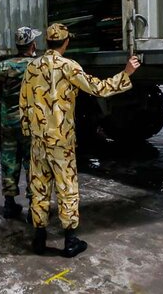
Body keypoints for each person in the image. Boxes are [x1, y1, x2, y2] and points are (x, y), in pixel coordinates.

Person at [20, 23, 140, 257]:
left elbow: (23, 104)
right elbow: (98, 88)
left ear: (47, 42)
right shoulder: (68, 67)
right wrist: (126, 74)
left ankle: (39, 239)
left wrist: (29, 133)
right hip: (61, 142)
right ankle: (70, 242)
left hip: (37, 142)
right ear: (66, 42)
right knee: (67, 189)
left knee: (39, 189)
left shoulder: (31, 67)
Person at [0, 26, 42, 219]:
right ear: (32, 44)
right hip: (31, 125)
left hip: (9, 124)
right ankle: (34, 209)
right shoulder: (38, 66)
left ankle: (9, 205)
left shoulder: (4, 67)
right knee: (33, 165)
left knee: (9, 161)